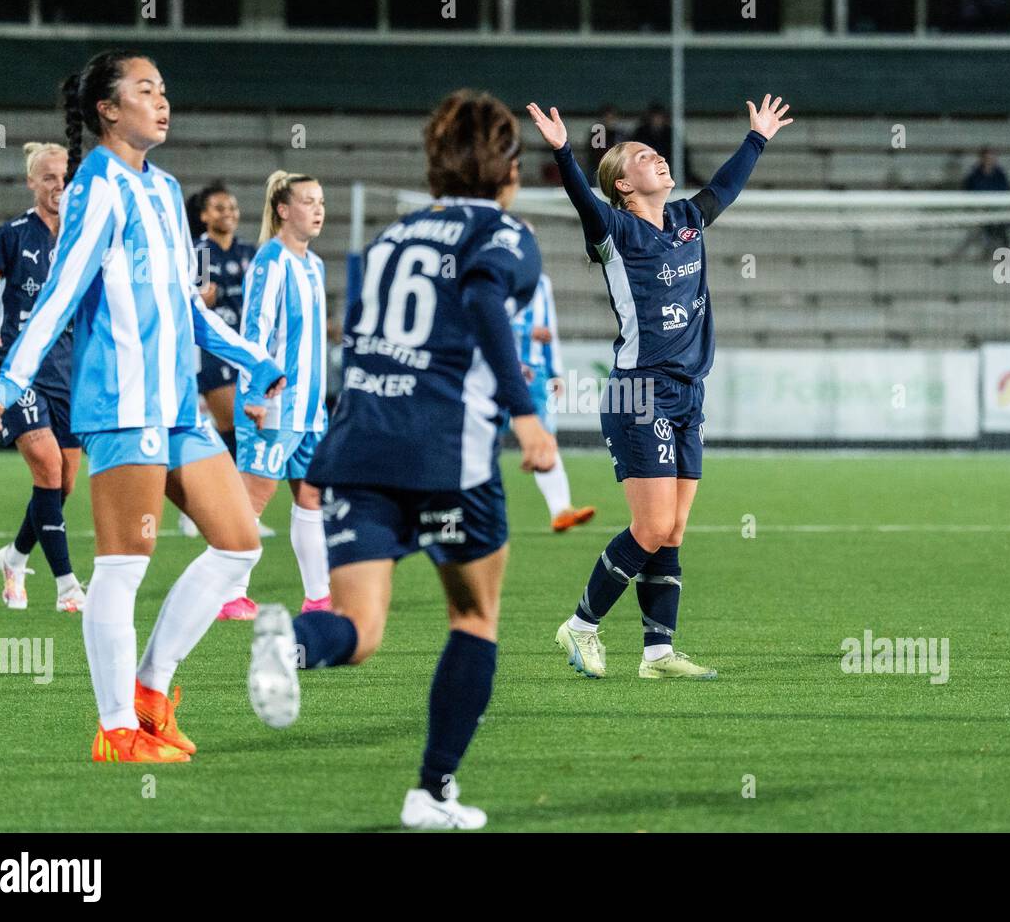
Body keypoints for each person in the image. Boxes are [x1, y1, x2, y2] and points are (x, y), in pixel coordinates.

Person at [247, 89, 557, 830]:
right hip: (448, 452)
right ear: (507, 168)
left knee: (358, 628)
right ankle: (432, 791)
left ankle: (290, 638)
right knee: (474, 616)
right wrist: (527, 415)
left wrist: (328, 449)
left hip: (361, 444)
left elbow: (362, 346)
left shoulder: (387, 240)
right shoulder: (507, 235)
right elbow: (483, 301)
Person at [0, 49, 285, 764]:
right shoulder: (96, 186)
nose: (162, 99)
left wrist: (252, 359)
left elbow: (184, 305)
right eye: (145, 89)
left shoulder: (165, 187)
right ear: (109, 110)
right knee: (124, 564)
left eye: (164, 89)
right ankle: (116, 730)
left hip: (177, 403)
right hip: (120, 403)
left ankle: (151, 692)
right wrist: (10, 379)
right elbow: (59, 294)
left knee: (239, 541)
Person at [526, 93, 792, 680]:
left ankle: (658, 654)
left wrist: (757, 139)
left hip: (688, 393)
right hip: (636, 393)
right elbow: (580, 200)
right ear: (622, 185)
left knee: (670, 529)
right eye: (644, 157)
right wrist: (564, 152)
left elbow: (724, 188)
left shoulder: (687, 221)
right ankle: (581, 626)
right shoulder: (614, 229)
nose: (659, 159)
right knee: (648, 527)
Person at [0, 142, 86, 613]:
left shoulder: (83, 239)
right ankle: (68, 587)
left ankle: (13, 558)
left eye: (65, 178)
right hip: (18, 369)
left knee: (64, 484)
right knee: (49, 470)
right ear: (32, 182)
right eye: (49, 178)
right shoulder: (10, 236)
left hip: (69, 370)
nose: (59, 187)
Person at [217, 171, 330, 622]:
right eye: (308, 201)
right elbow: (254, 332)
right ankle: (229, 594)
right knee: (252, 501)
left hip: (309, 411)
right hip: (275, 406)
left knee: (311, 498)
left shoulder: (314, 264)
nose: (319, 209)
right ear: (283, 209)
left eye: (321, 201)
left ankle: (319, 597)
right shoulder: (271, 259)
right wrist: (255, 396)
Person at [178, 181, 273, 539]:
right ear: (204, 216)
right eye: (219, 208)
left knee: (237, 431)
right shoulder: (200, 252)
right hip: (213, 352)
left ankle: (234, 510)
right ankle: (206, 510)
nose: (228, 213)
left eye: (231, 207)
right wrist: (206, 295)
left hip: (244, 349)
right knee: (234, 427)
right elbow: (199, 299)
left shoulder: (250, 252)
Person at [511, 272, 595, 532]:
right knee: (478, 440)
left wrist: (555, 370)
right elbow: (483, 317)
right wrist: (525, 330)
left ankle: (561, 510)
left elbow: (550, 326)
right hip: (494, 371)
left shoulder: (542, 281)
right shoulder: (494, 272)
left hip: (535, 374)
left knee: (545, 439)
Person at [962, 146, 1010, 252]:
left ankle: (1003, 252)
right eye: (987, 158)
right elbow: (969, 192)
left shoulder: (1000, 175)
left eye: (991, 158)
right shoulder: (974, 175)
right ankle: (989, 250)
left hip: (996, 209)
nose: (989, 160)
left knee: (1001, 222)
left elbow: (1004, 191)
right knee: (982, 223)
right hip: (979, 209)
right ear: (981, 159)